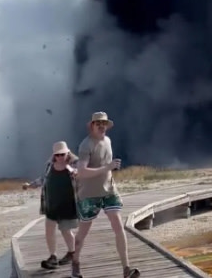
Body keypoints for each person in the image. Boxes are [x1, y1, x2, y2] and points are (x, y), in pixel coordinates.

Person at [70, 111, 137, 278]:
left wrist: (110, 169)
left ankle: (126, 268)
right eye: (98, 123)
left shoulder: (108, 141)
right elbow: (82, 171)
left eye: (104, 123)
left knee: (118, 227)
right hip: (89, 194)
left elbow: (105, 165)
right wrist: (107, 168)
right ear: (92, 126)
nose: (101, 126)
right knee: (83, 232)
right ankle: (75, 263)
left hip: (109, 189)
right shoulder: (86, 145)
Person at [22, 141, 79, 270]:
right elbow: (42, 179)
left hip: (68, 204)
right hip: (51, 204)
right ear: (54, 155)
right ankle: (53, 257)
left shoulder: (74, 164)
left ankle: (72, 252)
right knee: (49, 231)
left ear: (68, 153)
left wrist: (76, 173)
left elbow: (82, 174)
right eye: (57, 155)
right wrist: (30, 185)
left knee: (66, 231)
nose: (60, 157)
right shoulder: (49, 166)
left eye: (62, 154)